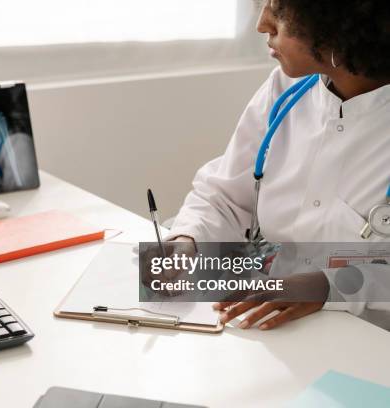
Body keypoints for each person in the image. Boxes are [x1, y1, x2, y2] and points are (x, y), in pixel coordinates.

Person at [166, 0, 390, 330]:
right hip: (270, 323)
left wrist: (327, 285)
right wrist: (188, 239)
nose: (262, 24)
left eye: (279, 9)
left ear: (342, 22)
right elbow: (227, 196)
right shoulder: (285, 91)